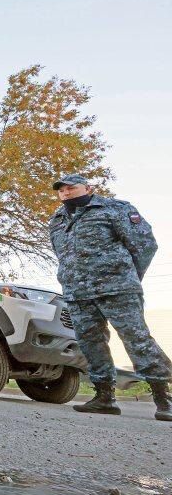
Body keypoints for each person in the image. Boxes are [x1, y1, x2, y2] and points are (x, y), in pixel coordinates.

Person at [49, 173, 171, 421]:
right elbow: (62, 253)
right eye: (61, 190)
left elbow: (145, 245)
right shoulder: (57, 219)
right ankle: (104, 398)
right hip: (78, 293)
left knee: (137, 340)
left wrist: (127, 276)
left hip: (117, 289)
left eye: (72, 188)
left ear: (88, 188)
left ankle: (164, 397)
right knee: (90, 343)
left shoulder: (115, 209)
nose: (66, 193)